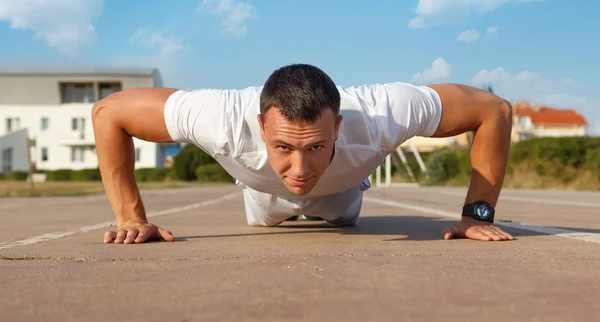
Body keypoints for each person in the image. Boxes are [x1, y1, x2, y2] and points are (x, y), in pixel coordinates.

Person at [92, 63, 515, 245]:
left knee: (337, 202)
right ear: (260, 127)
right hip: (262, 198)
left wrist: (476, 216)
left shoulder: (382, 113)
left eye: (316, 146)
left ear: (339, 128)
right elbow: (108, 112)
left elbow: (493, 109)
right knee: (273, 201)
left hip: (343, 195)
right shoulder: (219, 117)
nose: (299, 169)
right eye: (282, 146)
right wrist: (130, 217)